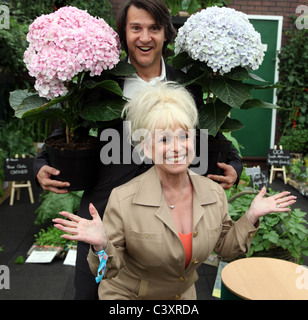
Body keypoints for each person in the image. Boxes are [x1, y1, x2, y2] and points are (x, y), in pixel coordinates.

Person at [34, 0, 242, 299]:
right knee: (91, 290)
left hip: (170, 220)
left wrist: (234, 164)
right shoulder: (100, 82)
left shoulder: (189, 84)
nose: (145, 37)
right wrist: (41, 164)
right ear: (124, 33)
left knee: (169, 292)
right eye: (136, 28)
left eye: (154, 28)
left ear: (166, 34)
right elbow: (65, 133)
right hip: (105, 214)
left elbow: (213, 132)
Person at [53, 82, 297, 300]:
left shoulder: (213, 193)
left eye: (183, 136)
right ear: (147, 148)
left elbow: (225, 247)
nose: (177, 147)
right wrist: (100, 245)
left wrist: (251, 216)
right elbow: (107, 271)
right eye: (164, 140)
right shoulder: (124, 198)